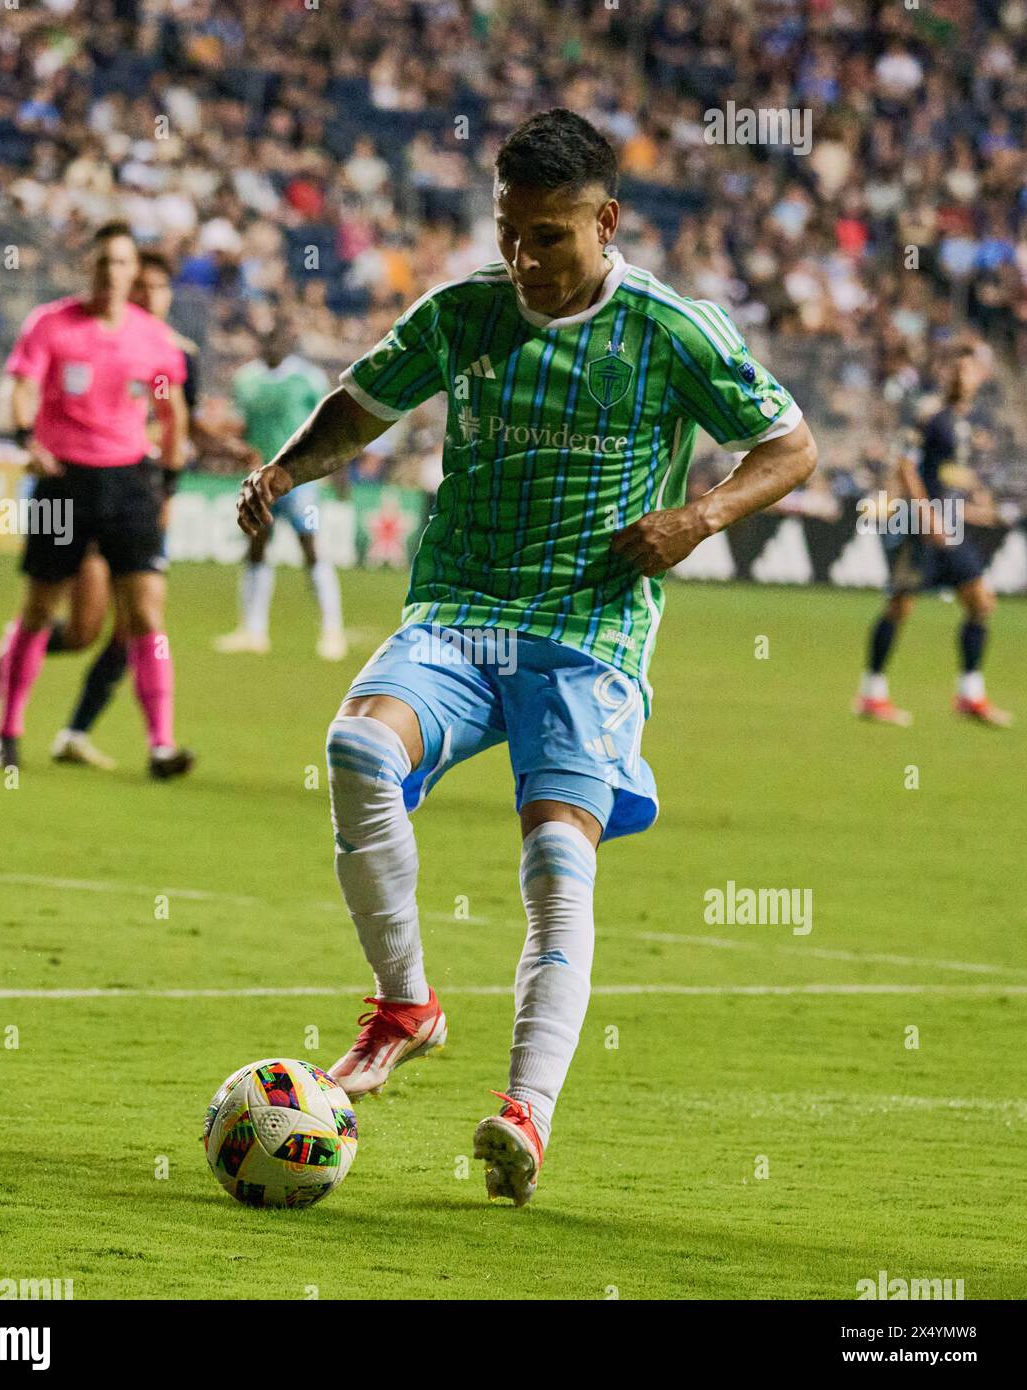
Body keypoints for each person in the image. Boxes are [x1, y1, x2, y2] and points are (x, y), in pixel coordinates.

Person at [238, 109, 817, 1206]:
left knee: (557, 858)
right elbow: (363, 406)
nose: (524, 259)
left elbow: (790, 445)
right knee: (357, 747)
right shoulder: (464, 313)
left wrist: (697, 519)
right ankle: (405, 1003)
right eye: (510, 232)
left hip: (588, 635)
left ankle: (525, 1113)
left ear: (606, 221)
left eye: (548, 237)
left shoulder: (672, 331)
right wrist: (281, 473)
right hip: (459, 608)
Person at [0, 221, 194, 778]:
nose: (111, 272)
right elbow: (24, 384)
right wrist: (25, 439)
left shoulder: (152, 339)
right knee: (39, 609)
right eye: (102, 262)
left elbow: (168, 407)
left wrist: (168, 480)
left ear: (132, 272)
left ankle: (162, 745)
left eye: (122, 263)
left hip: (129, 483)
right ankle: (7, 733)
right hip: (63, 480)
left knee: (147, 613)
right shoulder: (52, 325)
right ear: (89, 268)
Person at [854, 342, 1011, 727]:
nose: (962, 375)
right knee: (900, 605)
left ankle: (970, 695)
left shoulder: (973, 422)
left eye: (969, 369)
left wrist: (978, 502)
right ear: (945, 373)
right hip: (922, 524)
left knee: (981, 601)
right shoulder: (928, 414)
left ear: (980, 376)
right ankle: (872, 694)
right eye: (956, 368)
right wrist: (926, 517)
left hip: (953, 524)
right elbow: (907, 468)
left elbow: (954, 474)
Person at [214, 319, 347, 658]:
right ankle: (253, 631)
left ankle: (332, 630)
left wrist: (337, 472)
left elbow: (326, 425)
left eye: (281, 340)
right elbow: (241, 426)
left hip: (301, 483)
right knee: (257, 547)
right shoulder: (246, 379)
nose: (274, 346)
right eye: (269, 340)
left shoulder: (309, 378)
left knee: (311, 546)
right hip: (258, 481)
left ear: (291, 344)